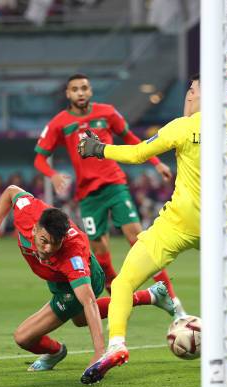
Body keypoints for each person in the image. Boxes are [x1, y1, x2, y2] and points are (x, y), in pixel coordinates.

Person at [76, 75, 227, 383]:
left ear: (199, 95)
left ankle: (116, 345)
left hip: (177, 223)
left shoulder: (183, 127)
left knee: (125, 283)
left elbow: (138, 153)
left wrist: (99, 149)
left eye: (191, 91)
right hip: (219, 225)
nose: (187, 97)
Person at [0, 185, 177, 373]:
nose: (48, 249)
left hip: (83, 276)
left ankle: (55, 352)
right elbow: (10, 192)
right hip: (56, 278)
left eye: (55, 244)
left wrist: (99, 353)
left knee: (23, 337)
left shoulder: (72, 255)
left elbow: (88, 302)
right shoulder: (28, 211)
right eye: (44, 241)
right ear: (34, 229)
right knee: (79, 320)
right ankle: (150, 296)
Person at [34, 74, 183, 313]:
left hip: (115, 184)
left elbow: (132, 139)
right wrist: (52, 175)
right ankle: (121, 301)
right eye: (75, 89)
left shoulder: (107, 112)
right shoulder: (59, 122)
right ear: (68, 94)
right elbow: (39, 158)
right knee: (100, 253)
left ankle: (173, 301)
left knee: (138, 237)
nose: (80, 93)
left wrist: (156, 162)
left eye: (84, 88)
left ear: (90, 91)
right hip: (88, 196)